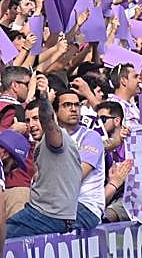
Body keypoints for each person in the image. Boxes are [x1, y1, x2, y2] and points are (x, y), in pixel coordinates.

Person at [5, 95, 81, 237]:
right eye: (28, 120)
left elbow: (49, 123)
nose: (31, 125)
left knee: (0, 236)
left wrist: (44, 99)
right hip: (47, 214)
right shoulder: (41, 144)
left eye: (36, 118)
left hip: (48, 215)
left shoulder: (53, 137)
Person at [54, 89, 104, 230]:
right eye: (67, 105)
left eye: (77, 105)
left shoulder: (90, 137)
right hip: (58, 206)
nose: (73, 109)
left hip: (85, 207)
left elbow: (77, 175)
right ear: (56, 111)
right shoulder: (49, 141)